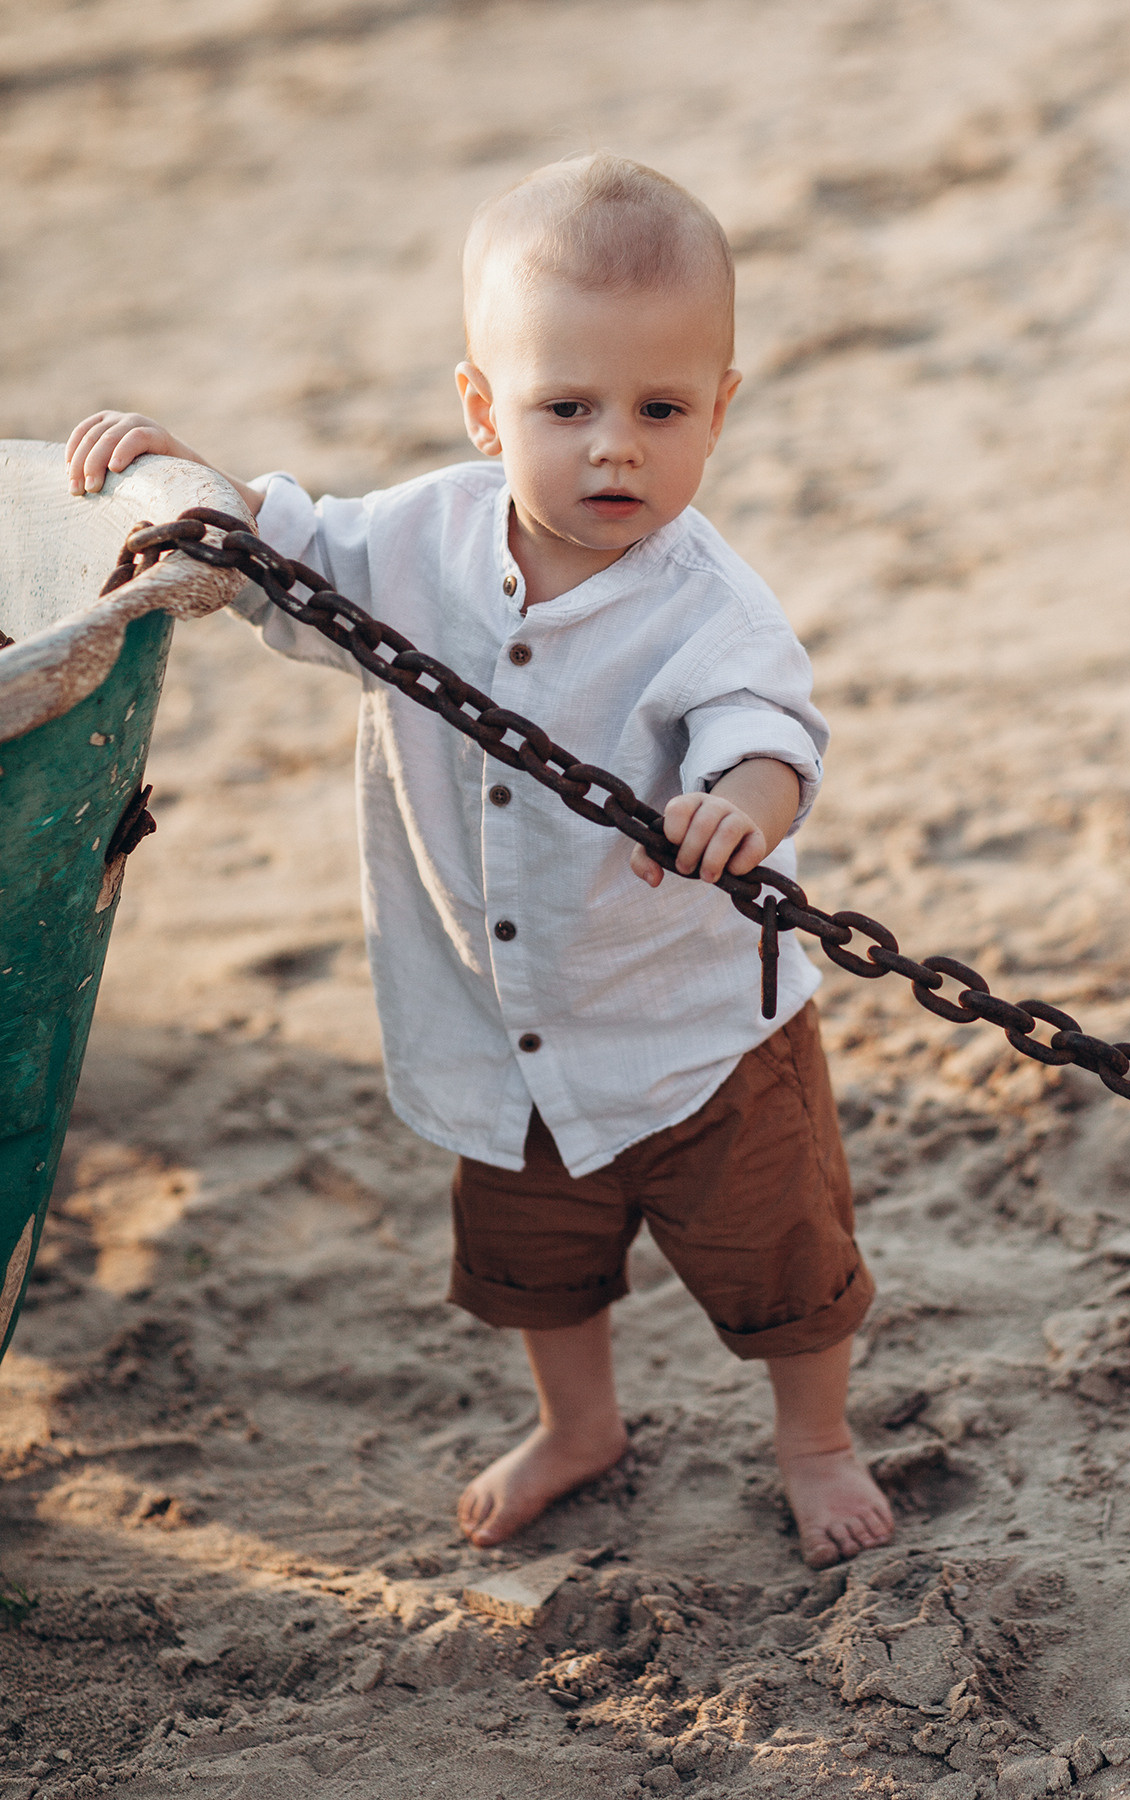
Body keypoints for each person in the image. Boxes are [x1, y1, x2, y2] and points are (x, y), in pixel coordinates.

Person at [65, 152, 893, 1569]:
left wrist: (740, 803)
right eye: (566, 408)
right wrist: (178, 468)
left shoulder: (709, 602)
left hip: (697, 1038)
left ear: (721, 411)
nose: (615, 447)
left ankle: (814, 1438)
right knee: (537, 1270)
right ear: (480, 406)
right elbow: (287, 545)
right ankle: (583, 1427)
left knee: (784, 1268)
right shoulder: (418, 539)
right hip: (498, 1030)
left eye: (661, 409)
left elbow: (769, 728)